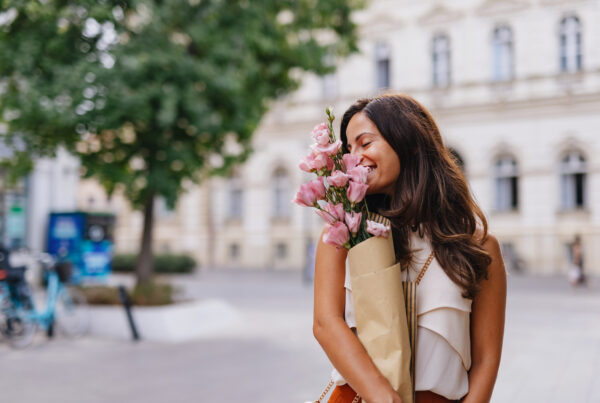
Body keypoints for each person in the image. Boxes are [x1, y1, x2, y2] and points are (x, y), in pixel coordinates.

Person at [312, 94, 507, 403]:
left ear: (410, 143)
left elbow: (485, 361)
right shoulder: (342, 231)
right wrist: (383, 396)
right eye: (349, 149)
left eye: (365, 143)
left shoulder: (479, 247)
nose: (354, 157)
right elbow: (326, 324)